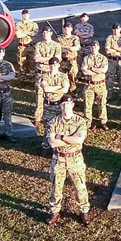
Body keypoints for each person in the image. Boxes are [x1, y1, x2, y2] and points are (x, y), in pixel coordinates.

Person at [46, 95, 91, 226]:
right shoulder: (53, 122)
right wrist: (69, 138)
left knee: (80, 186)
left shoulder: (80, 121)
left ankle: (84, 211)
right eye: (63, 104)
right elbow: (52, 143)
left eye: (68, 104)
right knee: (56, 187)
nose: (66, 107)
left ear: (73, 105)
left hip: (75, 159)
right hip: (58, 159)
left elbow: (79, 140)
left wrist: (61, 136)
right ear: (60, 106)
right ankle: (55, 211)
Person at [33, 26, 62, 125]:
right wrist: (50, 59)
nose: (46, 34)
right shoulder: (38, 45)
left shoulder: (56, 45)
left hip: (51, 74)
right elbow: (36, 58)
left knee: (52, 95)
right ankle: (38, 117)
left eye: (47, 33)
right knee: (39, 96)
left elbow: (58, 58)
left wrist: (44, 59)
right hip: (41, 74)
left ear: (51, 34)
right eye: (44, 33)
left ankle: (53, 115)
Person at [39, 58, 70, 141]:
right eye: (52, 65)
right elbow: (46, 89)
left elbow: (65, 89)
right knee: (47, 126)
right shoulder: (45, 76)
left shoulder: (63, 76)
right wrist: (59, 87)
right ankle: (45, 146)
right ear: (49, 66)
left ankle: (57, 145)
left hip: (60, 105)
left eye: (55, 65)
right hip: (49, 105)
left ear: (58, 65)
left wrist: (51, 88)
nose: (53, 66)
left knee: (61, 126)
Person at [81, 40, 109, 129]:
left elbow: (104, 70)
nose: (93, 49)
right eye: (92, 47)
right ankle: (88, 122)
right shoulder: (86, 58)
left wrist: (92, 68)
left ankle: (103, 121)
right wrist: (97, 71)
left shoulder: (103, 58)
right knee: (87, 104)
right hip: (89, 85)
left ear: (98, 47)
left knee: (102, 104)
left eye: (95, 47)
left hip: (100, 85)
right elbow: (84, 71)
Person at [104, 22, 121, 98]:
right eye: (114, 29)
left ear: (120, 29)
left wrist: (114, 48)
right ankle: (109, 95)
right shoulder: (109, 38)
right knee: (110, 78)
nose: (116, 31)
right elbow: (107, 50)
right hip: (111, 61)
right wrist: (119, 50)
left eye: (117, 29)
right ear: (112, 30)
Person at [57, 21, 82, 93]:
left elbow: (76, 47)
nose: (67, 30)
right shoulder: (59, 38)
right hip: (63, 61)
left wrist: (66, 47)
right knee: (63, 77)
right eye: (65, 28)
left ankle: (73, 92)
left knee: (73, 77)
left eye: (68, 28)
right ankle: (63, 92)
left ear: (71, 29)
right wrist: (70, 48)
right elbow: (59, 48)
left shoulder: (75, 38)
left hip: (72, 61)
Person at [14, 9, 39, 80]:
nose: (26, 16)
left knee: (32, 63)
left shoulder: (34, 24)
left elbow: (34, 33)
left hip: (31, 46)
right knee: (21, 63)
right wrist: (29, 32)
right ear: (22, 15)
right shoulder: (18, 24)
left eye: (27, 14)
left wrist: (24, 32)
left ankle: (31, 78)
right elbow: (18, 35)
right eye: (24, 14)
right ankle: (22, 79)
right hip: (22, 46)